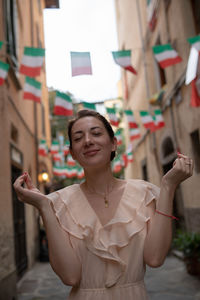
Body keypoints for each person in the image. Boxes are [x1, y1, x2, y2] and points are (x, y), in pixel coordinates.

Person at [14, 109, 194, 300]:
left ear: (114, 143)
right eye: (78, 138)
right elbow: (70, 276)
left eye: (96, 133)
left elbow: (155, 258)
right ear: (73, 153)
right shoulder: (58, 203)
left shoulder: (144, 194)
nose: (88, 141)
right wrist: (44, 208)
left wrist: (168, 187)